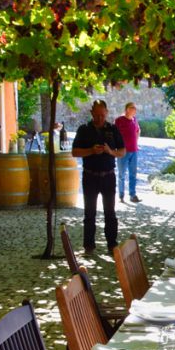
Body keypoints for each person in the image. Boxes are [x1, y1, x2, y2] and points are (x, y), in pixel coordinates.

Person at [71, 100, 125, 254]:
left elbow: (122, 151)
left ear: (106, 113)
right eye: (97, 115)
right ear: (91, 113)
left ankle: (112, 245)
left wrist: (110, 151)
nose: (100, 118)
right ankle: (89, 246)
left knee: (110, 212)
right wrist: (91, 151)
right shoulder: (84, 129)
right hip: (90, 176)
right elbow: (74, 152)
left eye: (102, 115)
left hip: (108, 176)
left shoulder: (113, 129)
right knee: (89, 212)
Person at [114, 102, 141, 203]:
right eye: (132, 107)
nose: (134, 109)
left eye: (135, 108)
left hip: (134, 151)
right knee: (121, 174)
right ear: (127, 109)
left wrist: (136, 142)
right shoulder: (119, 120)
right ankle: (121, 195)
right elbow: (113, 134)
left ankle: (132, 195)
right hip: (122, 152)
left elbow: (138, 130)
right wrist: (116, 147)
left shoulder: (134, 120)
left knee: (133, 174)